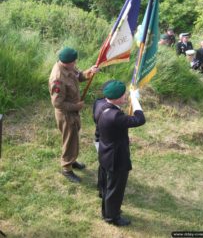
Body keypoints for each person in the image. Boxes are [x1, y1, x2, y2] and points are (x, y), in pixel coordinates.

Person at [97, 80, 145, 226]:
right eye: (124, 95)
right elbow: (140, 119)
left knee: (107, 187)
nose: (125, 97)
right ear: (117, 98)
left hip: (106, 152)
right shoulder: (115, 115)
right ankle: (112, 217)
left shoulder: (102, 106)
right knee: (115, 189)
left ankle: (107, 211)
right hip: (116, 157)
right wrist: (135, 100)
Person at [49, 47, 99, 183]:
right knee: (69, 140)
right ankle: (66, 168)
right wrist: (76, 106)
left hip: (73, 113)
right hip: (65, 114)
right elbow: (57, 103)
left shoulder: (69, 67)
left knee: (74, 137)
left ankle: (72, 160)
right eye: (74, 62)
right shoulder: (58, 78)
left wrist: (90, 71)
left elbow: (79, 76)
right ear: (67, 62)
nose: (75, 64)